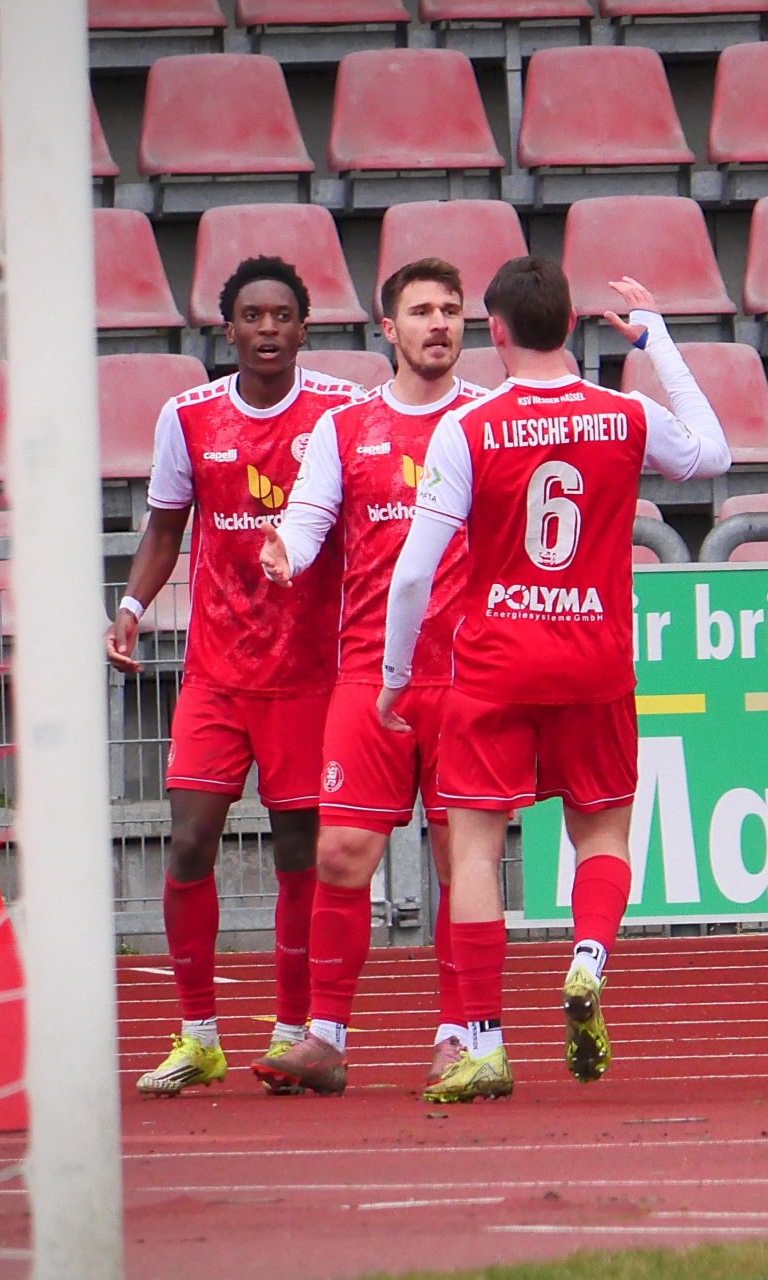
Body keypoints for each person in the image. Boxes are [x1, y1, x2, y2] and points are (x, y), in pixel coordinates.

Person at [377, 258, 730, 1101]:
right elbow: (714, 453)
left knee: (473, 852)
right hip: (595, 661)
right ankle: (587, 955)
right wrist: (661, 344)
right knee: (601, 836)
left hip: (495, 664)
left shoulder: (468, 427)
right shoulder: (626, 414)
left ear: (492, 331)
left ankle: (485, 1043)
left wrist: (395, 673)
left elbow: (415, 577)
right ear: (571, 324)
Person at [108, 257, 360, 1097]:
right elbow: (163, 529)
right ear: (229, 330)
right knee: (187, 842)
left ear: (303, 327)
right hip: (217, 670)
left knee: (300, 852)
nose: (266, 329)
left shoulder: (339, 413)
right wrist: (132, 610)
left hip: (309, 671)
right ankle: (198, 1033)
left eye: (281, 316)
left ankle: (293, 1034)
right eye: (251, 316)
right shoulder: (188, 416)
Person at [251, 258, 485, 1099]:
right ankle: (325, 1037)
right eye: (421, 310)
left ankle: (459, 1036)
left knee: (467, 862)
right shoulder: (347, 431)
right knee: (344, 854)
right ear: (388, 329)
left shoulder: (491, 422)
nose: (439, 324)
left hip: (468, 679)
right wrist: (286, 548)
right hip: (367, 676)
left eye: (452, 310)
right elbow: (309, 519)